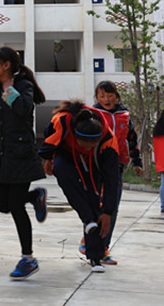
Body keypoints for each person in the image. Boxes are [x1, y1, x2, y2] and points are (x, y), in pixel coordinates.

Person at [0, 47, 48, 280]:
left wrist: (9, 90)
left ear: (6, 65)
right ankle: (35, 196)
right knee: (1, 204)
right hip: (3, 154)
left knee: (16, 206)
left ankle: (28, 259)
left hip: (20, 155)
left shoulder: (22, 86)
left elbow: (24, 109)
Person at [39, 101, 119, 273]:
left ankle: (95, 257)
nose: (87, 147)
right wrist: (48, 158)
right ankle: (87, 218)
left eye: (91, 145)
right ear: (75, 135)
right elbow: (48, 136)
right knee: (61, 171)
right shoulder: (62, 121)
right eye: (83, 144)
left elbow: (112, 180)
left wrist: (108, 211)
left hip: (93, 162)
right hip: (67, 154)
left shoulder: (108, 142)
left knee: (95, 203)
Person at [87, 80, 143, 265]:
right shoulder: (92, 115)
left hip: (117, 166)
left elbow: (132, 139)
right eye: (102, 96)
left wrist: (137, 162)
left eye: (110, 95)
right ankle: (89, 241)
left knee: (112, 207)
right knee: (94, 205)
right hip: (96, 165)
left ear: (116, 97)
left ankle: (104, 247)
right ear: (97, 97)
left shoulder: (124, 116)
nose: (106, 99)